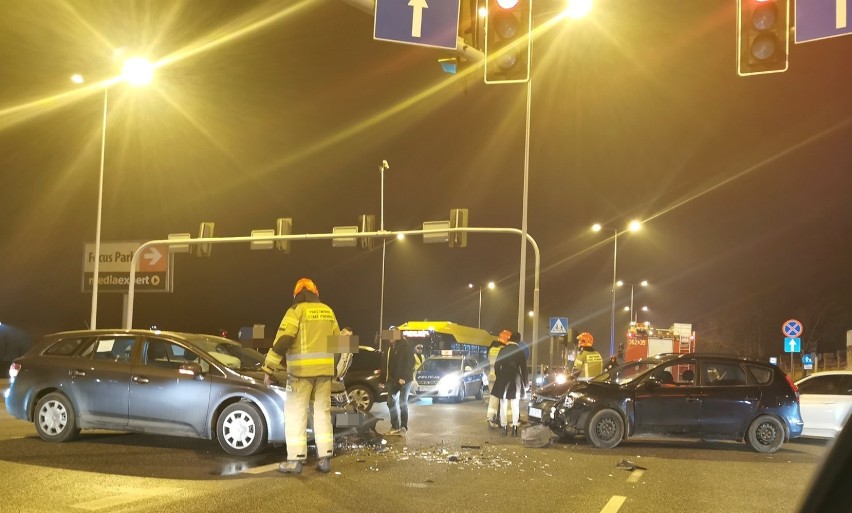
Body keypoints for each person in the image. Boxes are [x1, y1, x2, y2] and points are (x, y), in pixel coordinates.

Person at [262, 277, 340, 475]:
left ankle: (295, 460)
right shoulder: (328, 311)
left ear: (296, 294)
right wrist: (335, 370)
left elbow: (284, 340)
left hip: (300, 374)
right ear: (316, 292)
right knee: (322, 413)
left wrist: (268, 369)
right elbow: (339, 344)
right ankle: (325, 458)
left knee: (296, 414)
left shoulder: (295, 311)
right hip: (324, 374)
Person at [491, 331, 528, 437]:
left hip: (503, 378)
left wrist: (499, 377)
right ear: (518, 341)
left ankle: (504, 427)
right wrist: (525, 383)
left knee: (503, 403)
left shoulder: (503, 350)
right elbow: (524, 369)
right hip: (515, 379)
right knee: (515, 404)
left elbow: (496, 366)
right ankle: (515, 428)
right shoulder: (520, 352)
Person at [383, 328, 416, 436]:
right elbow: (388, 363)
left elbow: (410, 363)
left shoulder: (405, 346)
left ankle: (403, 427)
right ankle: (395, 426)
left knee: (402, 403)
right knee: (390, 402)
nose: (389, 339)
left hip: (404, 379)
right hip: (394, 379)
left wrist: (403, 378)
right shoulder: (391, 347)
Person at [486, 330, 511, 428]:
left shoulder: (492, 349)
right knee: (502, 400)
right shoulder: (504, 350)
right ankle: (502, 420)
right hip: (500, 377)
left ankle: (491, 418)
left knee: (493, 399)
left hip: (491, 378)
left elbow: (489, 361)